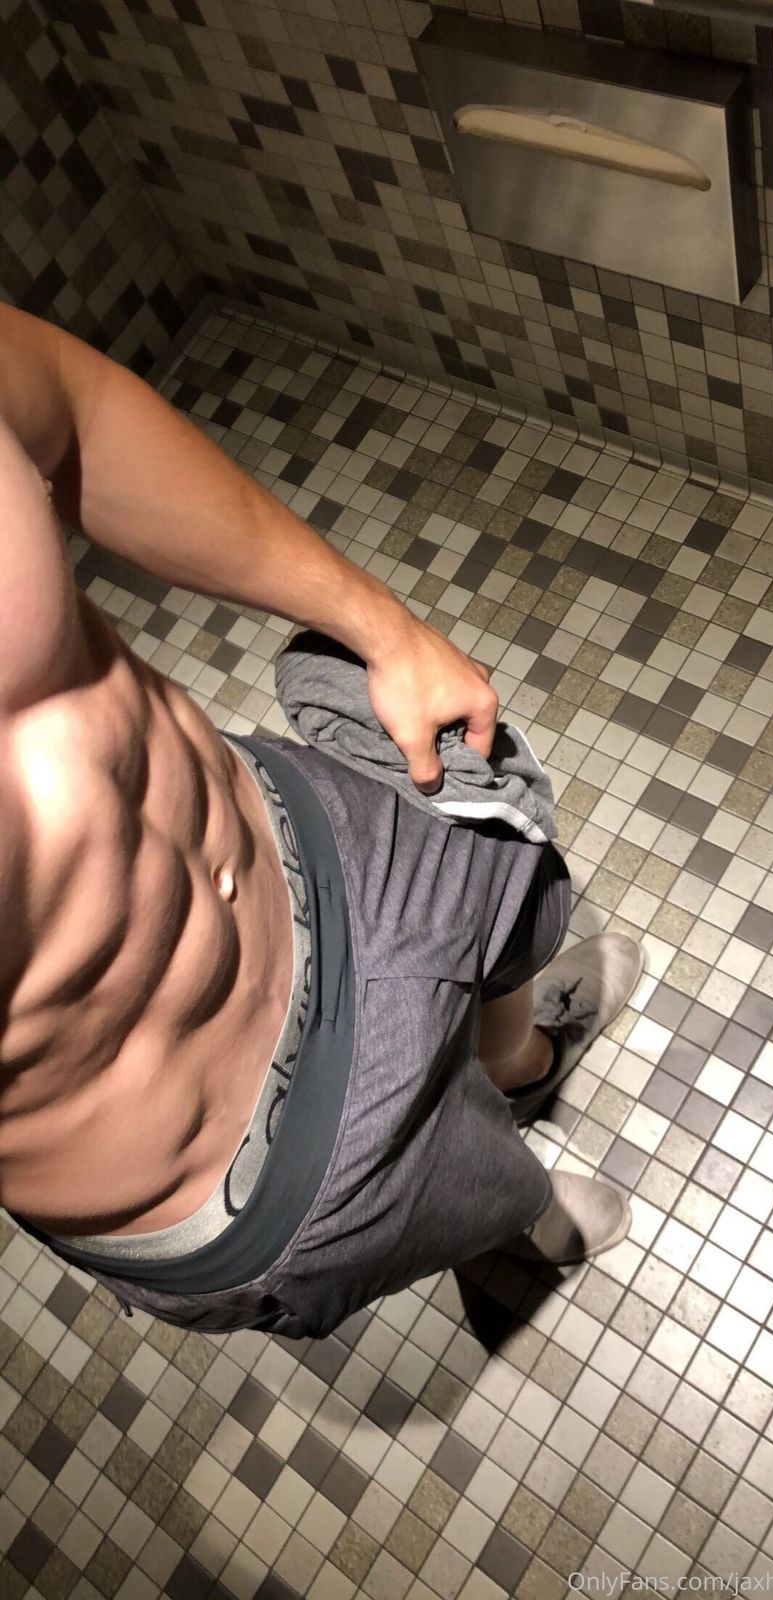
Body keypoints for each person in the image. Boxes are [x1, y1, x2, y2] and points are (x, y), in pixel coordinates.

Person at [0, 304, 642, 1340]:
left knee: (503, 863)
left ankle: (519, 1064)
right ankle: (511, 1211)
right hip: (247, 1157)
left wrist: (376, 625)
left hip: (295, 839)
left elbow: (75, 412)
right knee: (466, 1188)